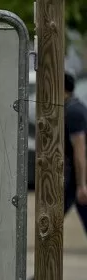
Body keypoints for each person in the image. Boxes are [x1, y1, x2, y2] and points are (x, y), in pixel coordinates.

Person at [64, 72, 87, 235]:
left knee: (53, 215)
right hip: (75, 177)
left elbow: (80, 151)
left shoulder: (73, 112)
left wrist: (81, 184)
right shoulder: (74, 107)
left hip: (78, 176)